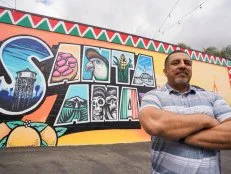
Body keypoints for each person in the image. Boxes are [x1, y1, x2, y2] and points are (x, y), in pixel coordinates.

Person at [139, 50, 231, 174]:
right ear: (165, 72)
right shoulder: (153, 96)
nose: (182, 65)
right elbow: (153, 124)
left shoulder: (211, 97)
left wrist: (175, 134)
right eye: (175, 63)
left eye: (187, 63)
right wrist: (205, 120)